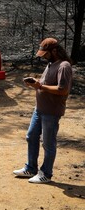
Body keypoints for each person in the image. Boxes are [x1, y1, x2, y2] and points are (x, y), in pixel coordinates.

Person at [13, 37, 73, 184]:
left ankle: (46, 173)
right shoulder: (51, 64)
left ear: (54, 51)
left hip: (51, 112)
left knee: (48, 143)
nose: (43, 57)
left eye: (45, 54)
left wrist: (40, 86)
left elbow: (62, 90)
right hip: (39, 109)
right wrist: (35, 83)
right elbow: (45, 83)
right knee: (31, 136)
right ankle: (31, 168)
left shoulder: (64, 66)